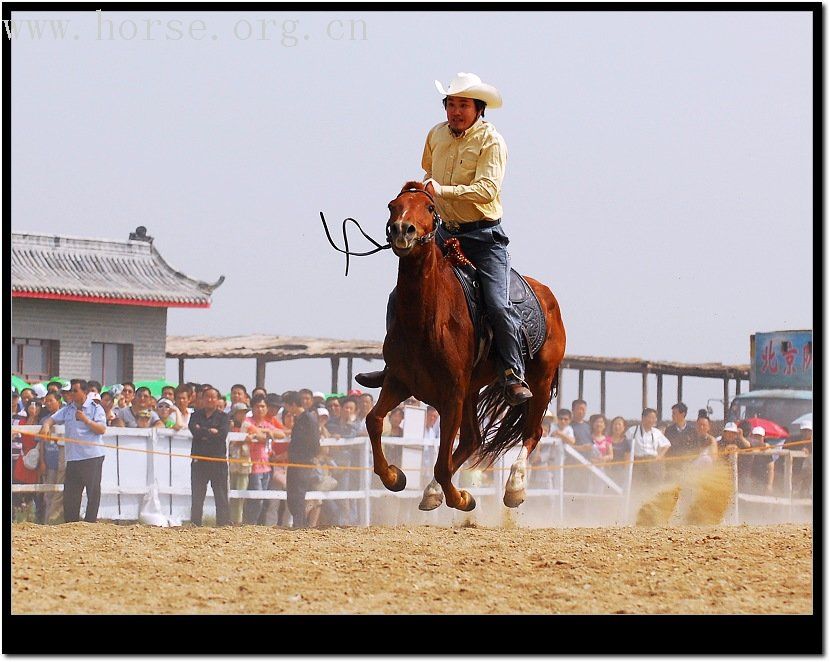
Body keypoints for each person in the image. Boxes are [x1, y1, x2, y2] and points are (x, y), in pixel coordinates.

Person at [356, 72, 532, 406]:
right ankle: (393, 364)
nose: (456, 111)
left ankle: (512, 373)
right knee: (400, 296)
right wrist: (421, 196)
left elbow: (487, 190)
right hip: (443, 232)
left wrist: (441, 190)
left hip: (483, 237)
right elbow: (428, 175)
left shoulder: (491, 141)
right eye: (451, 104)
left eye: (463, 105)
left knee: (497, 303)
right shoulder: (436, 135)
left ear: (479, 109)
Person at [38, 379, 108, 523]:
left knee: (93, 492)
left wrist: (86, 420)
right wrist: (46, 425)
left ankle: (90, 522)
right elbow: (52, 419)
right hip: (73, 457)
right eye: (71, 391)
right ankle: (71, 523)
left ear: (85, 392)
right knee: (70, 493)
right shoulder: (69, 408)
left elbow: (101, 429)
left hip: (92, 456)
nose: (72, 394)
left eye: (75, 391)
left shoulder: (96, 408)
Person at [187, 386, 230, 527]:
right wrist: (210, 432)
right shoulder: (195, 415)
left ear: (218, 400)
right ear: (202, 399)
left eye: (213, 397)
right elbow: (194, 431)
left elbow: (222, 435)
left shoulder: (224, 417)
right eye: (207, 397)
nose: (210, 400)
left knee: (221, 495)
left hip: (217, 460)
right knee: (197, 495)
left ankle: (223, 524)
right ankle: (195, 523)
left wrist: (203, 431)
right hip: (199, 460)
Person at [243, 394, 286, 525]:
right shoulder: (247, 421)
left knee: (262, 498)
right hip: (252, 465)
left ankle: (254, 523)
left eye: (263, 406)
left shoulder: (267, 424)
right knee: (256, 498)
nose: (260, 409)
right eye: (257, 406)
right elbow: (260, 436)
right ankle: (250, 523)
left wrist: (267, 431)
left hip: (266, 467)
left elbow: (281, 433)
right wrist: (268, 434)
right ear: (252, 407)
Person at [285, 392, 319, 528]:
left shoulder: (308, 419)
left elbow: (315, 441)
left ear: (293, 405)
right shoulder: (301, 419)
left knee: (298, 494)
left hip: (303, 462)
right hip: (295, 462)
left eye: (287, 405)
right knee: (293, 495)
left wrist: (308, 457)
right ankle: (299, 523)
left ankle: (299, 524)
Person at [626, 408, 671, 488]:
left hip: (653, 462)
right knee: (638, 485)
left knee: (654, 485)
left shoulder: (657, 432)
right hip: (638, 461)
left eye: (654, 418)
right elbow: (625, 443)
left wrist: (660, 455)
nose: (652, 420)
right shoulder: (633, 430)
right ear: (643, 418)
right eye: (650, 417)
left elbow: (667, 444)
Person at [227, 402, 254, 525]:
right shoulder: (229, 426)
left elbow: (259, 434)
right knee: (231, 491)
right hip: (231, 462)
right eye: (240, 413)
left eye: (244, 412)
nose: (243, 415)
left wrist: (249, 437)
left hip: (243, 462)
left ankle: (238, 520)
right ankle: (232, 519)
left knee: (241, 493)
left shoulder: (247, 425)